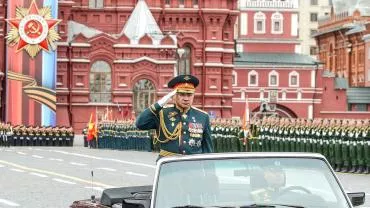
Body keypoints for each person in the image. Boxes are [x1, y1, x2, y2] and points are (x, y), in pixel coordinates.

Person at [136, 75, 213, 159]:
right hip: (169, 163)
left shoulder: (202, 116)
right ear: (174, 96)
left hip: (193, 165)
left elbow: (207, 149)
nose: (186, 98)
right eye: (182, 94)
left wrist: (209, 170)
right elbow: (140, 124)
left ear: (193, 95)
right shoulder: (162, 113)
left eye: (189, 95)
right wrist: (159, 104)